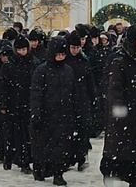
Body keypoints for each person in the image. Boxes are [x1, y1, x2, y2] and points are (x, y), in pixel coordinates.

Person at [101, 25, 136, 187]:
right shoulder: (120, 62)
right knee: (120, 156)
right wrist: (121, 112)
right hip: (124, 120)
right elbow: (115, 91)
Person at [30, 36, 81, 185]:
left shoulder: (68, 71)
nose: (61, 57)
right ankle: (40, 168)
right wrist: (36, 113)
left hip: (64, 115)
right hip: (46, 115)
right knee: (43, 145)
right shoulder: (42, 70)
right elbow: (36, 94)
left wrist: (76, 111)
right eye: (58, 54)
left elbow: (73, 93)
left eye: (63, 54)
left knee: (62, 147)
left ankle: (58, 173)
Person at [0, 34, 36, 173]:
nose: (22, 52)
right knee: (12, 135)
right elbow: (2, 86)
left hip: (28, 104)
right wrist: (3, 104)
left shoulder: (33, 63)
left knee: (26, 136)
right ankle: (10, 157)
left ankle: (24, 161)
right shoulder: (9, 66)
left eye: (24, 49)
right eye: (19, 50)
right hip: (14, 105)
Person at [66, 31, 94, 171]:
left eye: (77, 47)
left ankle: (81, 157)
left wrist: (93, 97)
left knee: (83, 130)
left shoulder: (84, 60)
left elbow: (90, 81)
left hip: (83, 101)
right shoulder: (65, 61)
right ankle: (70, 157)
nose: (75, 50)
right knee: (69, 131)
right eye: (73, 47)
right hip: (68, 101)